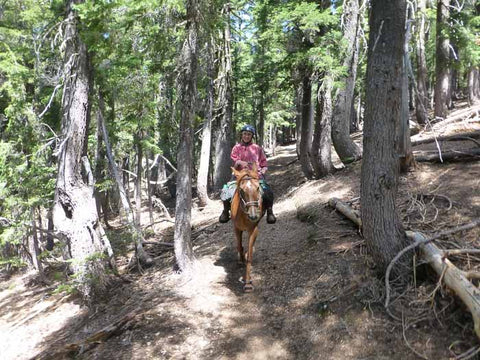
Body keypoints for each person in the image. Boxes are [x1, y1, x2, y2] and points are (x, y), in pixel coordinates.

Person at [219, 124, 277, 224]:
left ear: (252, 136)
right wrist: (239, 162)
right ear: (241, 135)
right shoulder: (236, 148)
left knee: (268, 191)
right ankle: (225, 211)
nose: (246, 136)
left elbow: (264, 163)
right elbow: (233, 160)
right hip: (239, 175)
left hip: (255, 175)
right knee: (226, 191)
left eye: (249, 134)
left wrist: (263, 170)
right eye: (245, 134)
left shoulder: (257, 148)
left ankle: (270, 212)